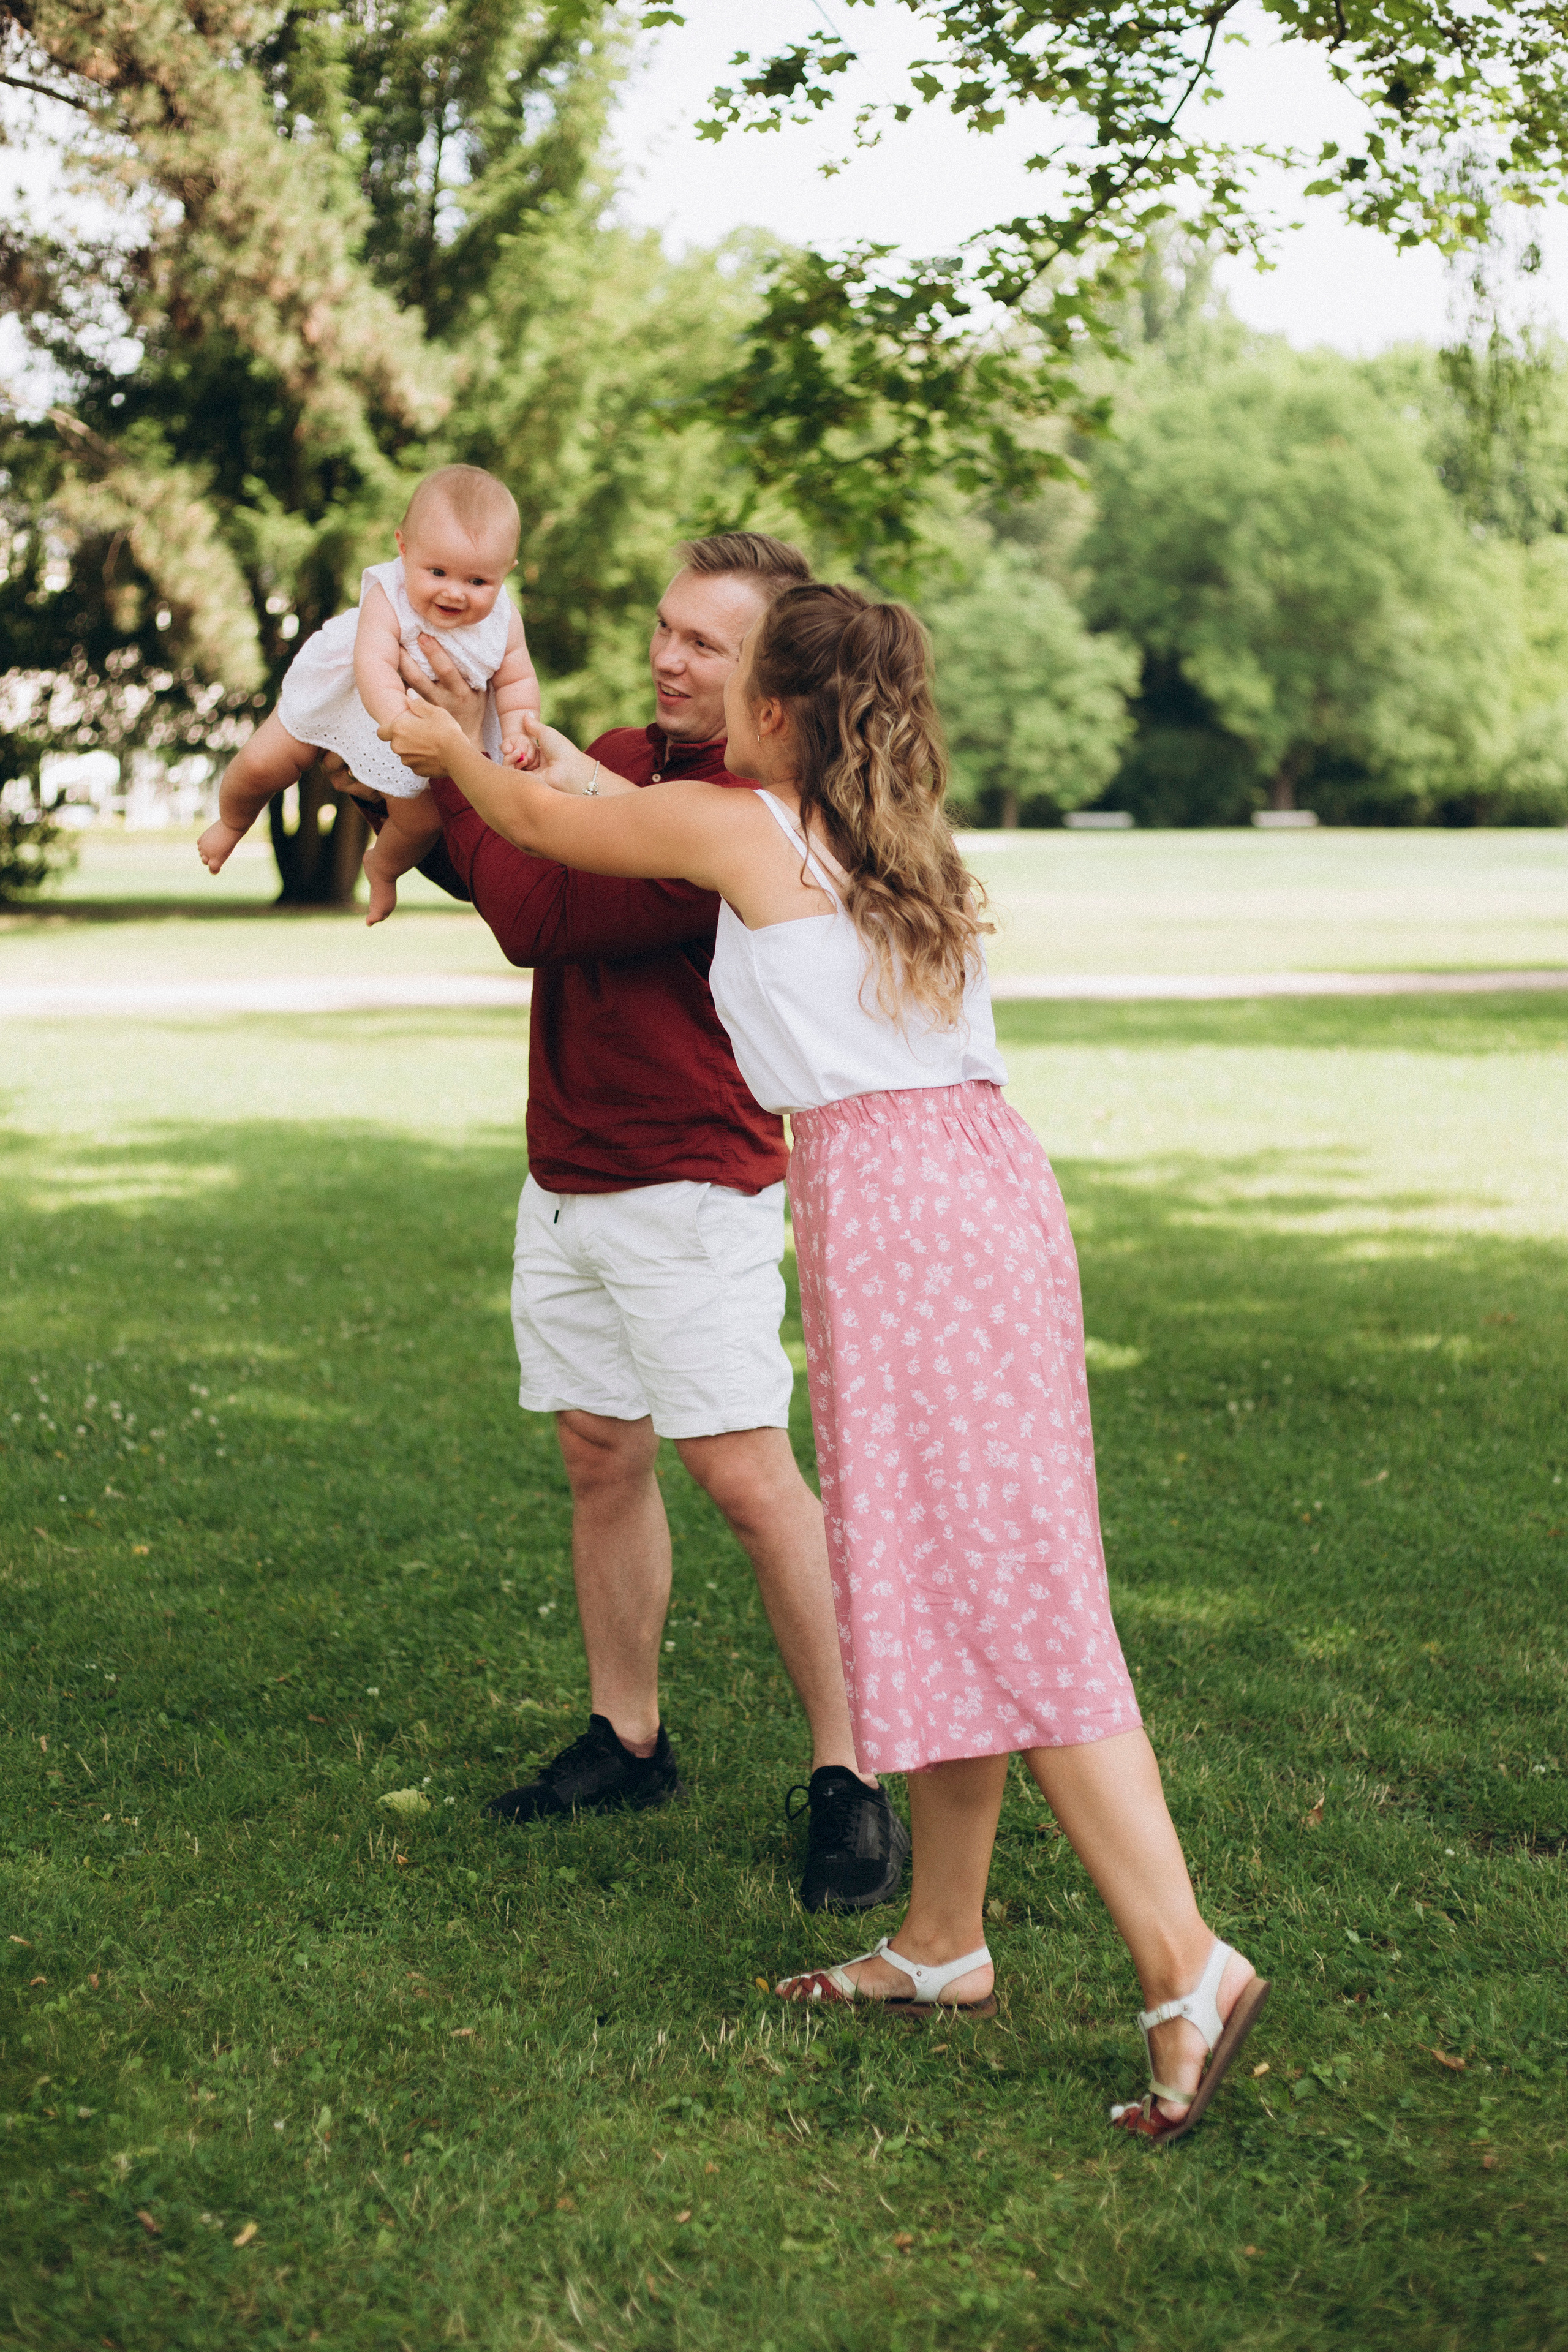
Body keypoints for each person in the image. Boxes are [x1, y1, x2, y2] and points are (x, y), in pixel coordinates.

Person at [380, 579, 1272, 2144]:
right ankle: (938, 1940)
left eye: (727, 674)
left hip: (905, 1219)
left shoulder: (743, 830)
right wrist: (509, 722)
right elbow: (594, 788)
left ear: (775, 710)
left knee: (1004, 1588)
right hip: (972, 1194)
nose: (692, 685)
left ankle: (1182, 1960)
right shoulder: (882, 837)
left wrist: (437, 746)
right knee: (932, 1571)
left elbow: (548, 819)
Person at [364, 533, 908, 1915]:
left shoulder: (741, 808)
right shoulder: (611, 748)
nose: (668, 658)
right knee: (599, 1454)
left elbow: (537, 910)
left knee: (743, 1477)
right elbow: (493, 860)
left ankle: (851, 1776)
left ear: (772, 674)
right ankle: (628, 1739)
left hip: (691, 1189)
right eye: (663, 628)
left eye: (705, 645)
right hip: (569, 1174)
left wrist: (459, 763)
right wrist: (425, 769)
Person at [198, 465, 540, 924]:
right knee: (264, 761)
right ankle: (232, 821)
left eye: (478, 582)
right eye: (437, 571)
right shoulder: (389, 591)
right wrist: (395, 719)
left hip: (430, 736)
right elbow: (374, 662)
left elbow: (517, 682)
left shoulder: (504, 621)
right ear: (403, 548)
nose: (455, 592)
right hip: (354, 698)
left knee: (421, 822)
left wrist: (519, 730)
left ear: (506, 572)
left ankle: (382, 868)